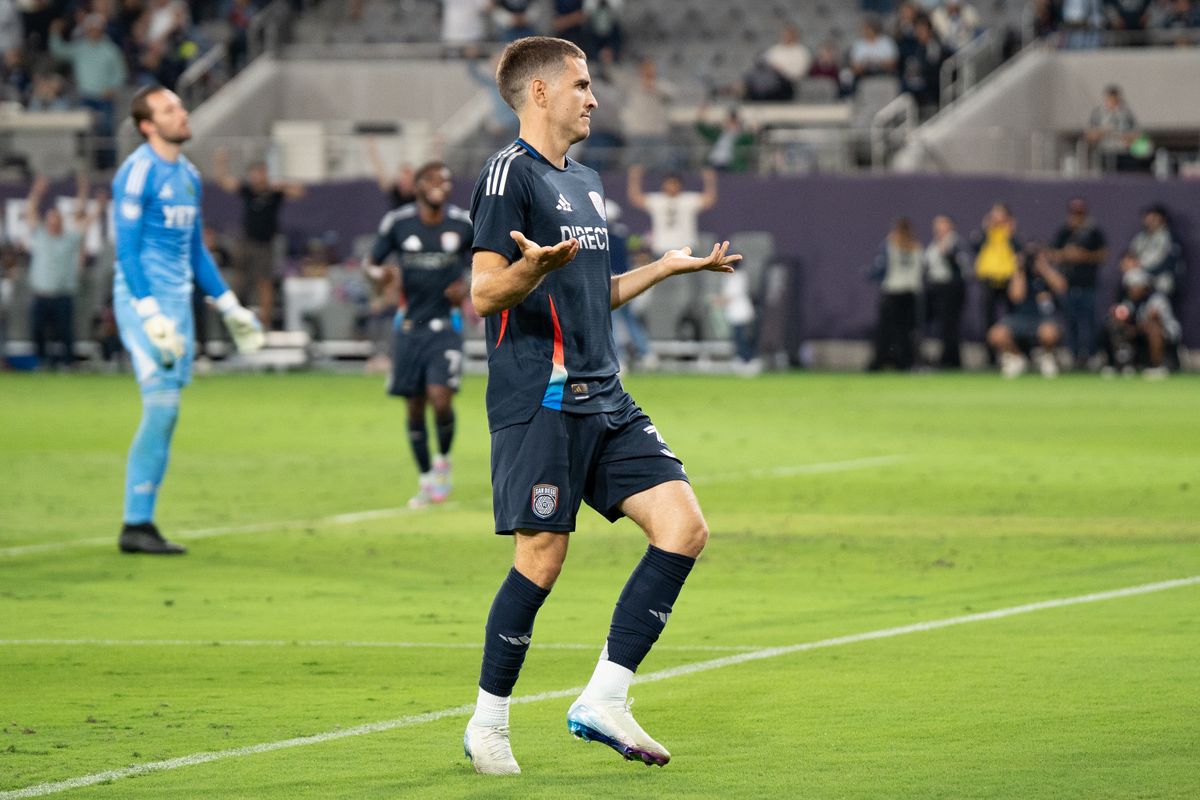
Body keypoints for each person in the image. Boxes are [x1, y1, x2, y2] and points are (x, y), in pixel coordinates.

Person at [462, 35, 740, 775]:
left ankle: (604, 697)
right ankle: (488, 722)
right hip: (542, 396)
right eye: (581, 84)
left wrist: (665, 268)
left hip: (604, 393)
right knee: (543, 559)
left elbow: (595, 292)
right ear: (540, 92)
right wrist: (529, 267)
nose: (593, 97)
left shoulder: (584, 180)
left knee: (683, 528)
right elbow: (484, 292)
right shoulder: (506, 176)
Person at [111, 85, 263, 555]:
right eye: (169, 109)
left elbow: (195, 250)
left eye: (179, 105)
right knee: (162, 407)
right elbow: (126, 248)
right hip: (144, 303)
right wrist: (149, 310)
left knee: (169, 411)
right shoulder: (136, 172)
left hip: (178, 307)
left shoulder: (190, 176)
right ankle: (135, 524)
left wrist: (229, 304)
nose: (182, 113)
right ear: (147, 125)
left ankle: (141, 521)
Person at [363, 161, 473, 508]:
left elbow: (489, 262)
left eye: (446, 179)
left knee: (441, 399)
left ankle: (443, 461)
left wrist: (468, 285)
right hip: (409, 328)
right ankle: (426, 480)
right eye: (434, 179)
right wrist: (378, 276)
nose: (442, 184)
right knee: (414, 407)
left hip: (446, 327)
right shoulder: (399, 223)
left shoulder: (462, 223)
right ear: (419, 186)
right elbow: (370, 263)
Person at [213, 149, 305, 330]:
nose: (259, 177)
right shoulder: (247, 191)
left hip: (266, 244)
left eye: (262, 173)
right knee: (240, 280)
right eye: (256, 173)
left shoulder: (274, 192)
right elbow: (225, 182)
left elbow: (299, 192)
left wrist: (282, 185)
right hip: (247, 242)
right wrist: (221, 163)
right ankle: (237, 319)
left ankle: (265, 323)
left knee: (265, 283)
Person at [24, 173, 103, 369]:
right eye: (50, 220)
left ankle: (67, 364)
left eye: (56, 220)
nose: (53, 223)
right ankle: (41, 363)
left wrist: (90, 197)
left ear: (60, 221)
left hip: (63, 294)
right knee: (38, 332)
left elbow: (84, 219)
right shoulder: (40, 235)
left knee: (65, 332)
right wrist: (36, 192)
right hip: (41, 294)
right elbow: (30, 212)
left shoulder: (69, 239)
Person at [985, 244, 1067, 378]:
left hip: (1043, 318)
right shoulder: (1019, 273)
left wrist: (1043, 267)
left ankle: (1048, 357)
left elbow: (1061, 287)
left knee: (1049, 333)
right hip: (1020, 317)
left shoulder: (1046, 273)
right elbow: (1016, 297)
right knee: (995, 334)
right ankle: (1017, 358)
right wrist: (1020, 269)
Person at [1050, 197, 1107, 369]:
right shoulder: (1064, 232)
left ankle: (1091, 355)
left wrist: (1083, 255)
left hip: (1088, 284)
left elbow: (1103, 254)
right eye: (1074, 213)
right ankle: (1073, 355)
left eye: (1079, 213)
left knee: (1089, 322)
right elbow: (1052, 253)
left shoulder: (1094, 232)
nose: (1076, 217)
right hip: (1068, 285)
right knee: (1070, 322)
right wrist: (1066, 255)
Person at [1104, 266, 1180, 378]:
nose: (1132, 289)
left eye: (1136, 286)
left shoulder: (1156, 299)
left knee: (1153, 328)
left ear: (1144, 286)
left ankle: (1157, 366)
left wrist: (1135, 330)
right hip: (1140, 331)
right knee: (1115, 325)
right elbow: (1123, 317)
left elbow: (1152, 321)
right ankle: (1124, 365)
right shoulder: (1129, 301)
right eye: (1130, 286)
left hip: (1167, 332)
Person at [867, 217, 922, 371]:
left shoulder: (890, 244)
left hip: (892, 292)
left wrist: (870, 274)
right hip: (910, 294)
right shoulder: (915, 246)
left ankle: (880, 362)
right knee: (905, 332)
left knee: (885, 331)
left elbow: (881, 268)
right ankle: (904, 362)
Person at [626, 164, 717, 255]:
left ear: (680, 185)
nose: (672, 186)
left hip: (686, 248)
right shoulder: (657, 200)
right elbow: (636, 198)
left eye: (674, 183)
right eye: (669, 183)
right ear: (663, 185)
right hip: (661, 248)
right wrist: (634, 178)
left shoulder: (688, 200)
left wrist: (710, 180)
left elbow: (709, 199)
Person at [972, 202, 1021, 365]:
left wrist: (1011, 231)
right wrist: (986, 228)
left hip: (1007, 281)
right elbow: (975, 245)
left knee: (1012, 319)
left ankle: (1015, 353)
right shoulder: (987, 235)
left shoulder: (1011, 236)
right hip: (989, 280)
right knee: (988, 319)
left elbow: (1018, 251)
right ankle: (991, 357)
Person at [922, 214, 971, 369]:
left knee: (950, 326)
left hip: (951, 289)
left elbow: (964, 269)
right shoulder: (934, 244)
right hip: (935, 289)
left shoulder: (956, 243)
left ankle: (951, 360)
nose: (938, 228)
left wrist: (949, 254)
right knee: (940, 326)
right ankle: (941, 358)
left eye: (942, 225)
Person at [1085, 85, 1144, 172]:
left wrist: (1127, 137)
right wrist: (1102, 131)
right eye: (1110, 100)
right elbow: (1089, 135)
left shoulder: (1127, 114)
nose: (1113, 103)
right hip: (1105, 152)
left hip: (1123, 153)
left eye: (1115, 100)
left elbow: (1137, 134)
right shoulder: (1098, 114)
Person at [363, 136, 417, 209]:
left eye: (409, 179)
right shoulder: (393, 191)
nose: (406, 182)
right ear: (399, 180)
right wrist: (372, 150)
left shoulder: (418, 194)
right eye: (404, 179)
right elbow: (380, 172)